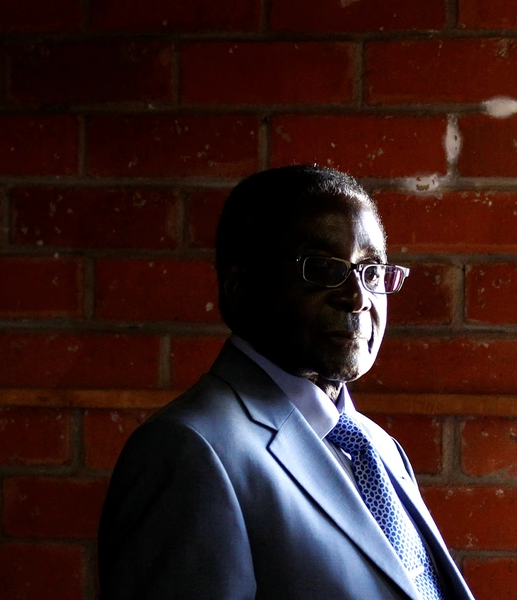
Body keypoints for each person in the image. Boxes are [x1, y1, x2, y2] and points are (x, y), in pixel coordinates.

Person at [97, 165, 475, 600]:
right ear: (240, 287)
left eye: (371, 270)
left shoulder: (377, 447)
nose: (358, 298)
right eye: (322, 268)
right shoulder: (187, 450)